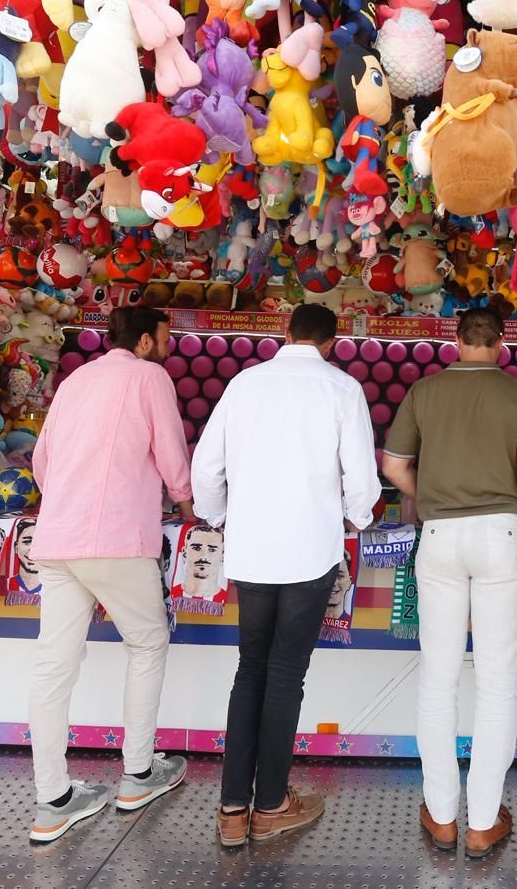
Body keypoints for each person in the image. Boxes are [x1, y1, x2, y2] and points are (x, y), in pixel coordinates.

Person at [191, 304, 381, 849]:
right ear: (333, 342)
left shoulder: (245, 384)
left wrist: (220, 515)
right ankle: (271, 802)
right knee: (285, 674)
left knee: (251, 666)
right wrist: (357, 517)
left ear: (285, 333)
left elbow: (207, 468)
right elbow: (361, 479)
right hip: (309, 554)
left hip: (251, 551)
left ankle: (232, 807)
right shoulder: (342, 390)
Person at [381, 307, 517, 858]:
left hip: (440, 537)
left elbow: (393, 465)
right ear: (503, 342)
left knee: (438, 677)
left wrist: (427, 493)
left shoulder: (424, 393)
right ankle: (482, 822)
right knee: (497, 681)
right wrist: (508, 504)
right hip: (500, 534)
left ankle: (443, 816)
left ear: (455, 340)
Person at [27, 306, 194, 843]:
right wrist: (188, 505)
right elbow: (171, 455)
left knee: (54, 666)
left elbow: (42, 463)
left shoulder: (77, 379)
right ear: (145, 341)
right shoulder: (151, 377)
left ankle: (53, 800)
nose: (168, 348)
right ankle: (139, 774)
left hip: (56, 538)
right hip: (117, 539)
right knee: (146, 645)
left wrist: (69, 504)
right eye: (165, 339)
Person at [172, 525, 226, 604]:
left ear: (222, 555)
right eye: (196, 548)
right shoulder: (171, 595)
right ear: (184, 552)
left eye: (212, 550)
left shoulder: (231, 598)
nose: (203, 557)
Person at [10, 519, 40, 597]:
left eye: (39, 542)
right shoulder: (7, 584)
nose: (33, 550)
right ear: (16, 547)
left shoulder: (56, 586)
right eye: (27, 542)